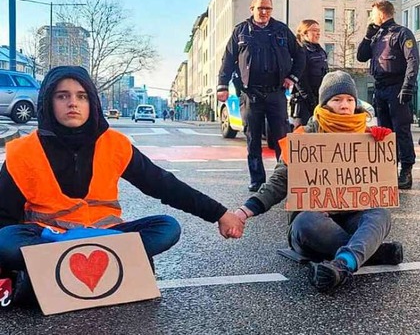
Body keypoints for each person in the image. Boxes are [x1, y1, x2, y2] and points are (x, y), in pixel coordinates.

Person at [0, 66, 244, 300]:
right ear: (47, 102)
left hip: (105, 234)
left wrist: (219, 213)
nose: (73, 103)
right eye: (62, 96)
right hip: (50, 238)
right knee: (5, 240)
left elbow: (163, 184)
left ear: (92, 103)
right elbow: (5, 216)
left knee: (167, 227)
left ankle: (51, 266)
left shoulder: (114, 144)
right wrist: (5, 271)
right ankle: (120, 257)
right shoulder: (23, 151)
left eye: (82, 96)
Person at [233, 71, 403, 293]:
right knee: (306, 224)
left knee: (381, 214)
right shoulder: (305, 136)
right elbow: (279, 181)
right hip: (314, 221)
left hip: (351, 217)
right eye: (337, 99)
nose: (345, 105)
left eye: (350, 100)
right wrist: (245, 211)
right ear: (325, 103)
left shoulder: (368, 135)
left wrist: (383, 146)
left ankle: (343, 265)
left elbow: (379, 183)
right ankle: (369, 251)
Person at [217, 0, 305, 192]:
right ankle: (257, 181)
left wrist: (292, 78)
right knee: (253, 137)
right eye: (260, 8)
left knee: (281, 138)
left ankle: (284, 178)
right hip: (250, 94)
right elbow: (228, 60)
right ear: (252, 9)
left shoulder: (281, 30)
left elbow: (300, 56)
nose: (264, 12)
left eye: (268, 8)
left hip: (276, 93)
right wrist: (222, 85)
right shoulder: (240, 32)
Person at [357, 0, 419, 190]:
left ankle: (406, 172)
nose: (371, 17)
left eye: (373, 13)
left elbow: (413, 60)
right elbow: (361, 56)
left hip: (397, 86)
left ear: (382, 13)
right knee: (383, 132)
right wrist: (367, 37)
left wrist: (408, 86)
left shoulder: (402, 33)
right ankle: (388, 170)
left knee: (401, 130)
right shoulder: (376, 35)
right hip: (380, 88)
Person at [291, 19, 328, 129]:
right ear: (305, 33)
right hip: (304, 101)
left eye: (319, 30)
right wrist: (311, 101)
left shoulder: (320, 51)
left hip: (320, 98)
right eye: (314, 30)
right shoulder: (301, 50)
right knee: (303, 134)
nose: (318, 33)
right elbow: (300, 80)